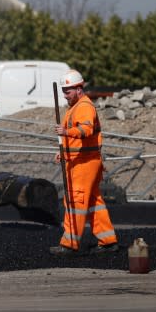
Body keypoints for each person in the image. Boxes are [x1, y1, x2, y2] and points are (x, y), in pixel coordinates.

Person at [50, 69, 118, 256]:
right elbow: (76, 138)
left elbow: (85, 130)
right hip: (82, 161)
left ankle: (69, 243)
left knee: (76, 201)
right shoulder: (75, 107)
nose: (65, 95)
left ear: (79, 89)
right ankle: (108, 240)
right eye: (63, 91)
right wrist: (63, 152)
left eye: (68, 91)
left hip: (84, 164)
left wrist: (65, 133)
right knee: (94, 202)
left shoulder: (84, 107)